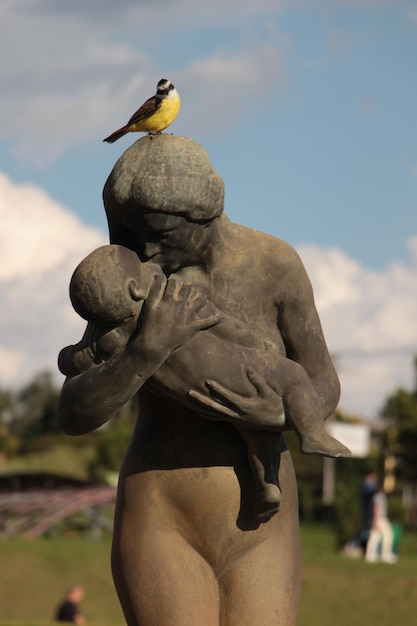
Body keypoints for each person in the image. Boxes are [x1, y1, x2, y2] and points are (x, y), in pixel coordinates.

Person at [57, 135, 342, 625]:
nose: (147, 247)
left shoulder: (273, 265)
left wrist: (268, 413)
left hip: (262, 517)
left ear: (205, 217)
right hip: (162, 510)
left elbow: (323, 384)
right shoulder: (130, 284)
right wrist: (144, 352)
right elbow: (75, 411)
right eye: (137, 232)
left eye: (162, 234)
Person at [60, 244, 349, 521]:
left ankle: (268, 480)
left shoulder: (114, 338)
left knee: (256, 426)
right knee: (291, 381)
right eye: (142, 267)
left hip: (194, 391)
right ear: (136, 288)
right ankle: (308, 438)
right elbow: (224, 325)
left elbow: (80, 359)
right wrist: (257, 344)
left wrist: (71, 358)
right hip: (233, 371)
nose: (151, 262)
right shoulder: (178, 300)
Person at [365, 487, 397, 563]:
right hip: (380, 519)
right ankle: (385, 554)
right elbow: (376, 508)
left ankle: (370, 555)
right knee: (388, 535)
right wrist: (375, 520)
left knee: (375, 536)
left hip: (380, 518)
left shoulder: (378, 496)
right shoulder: (380, 496)